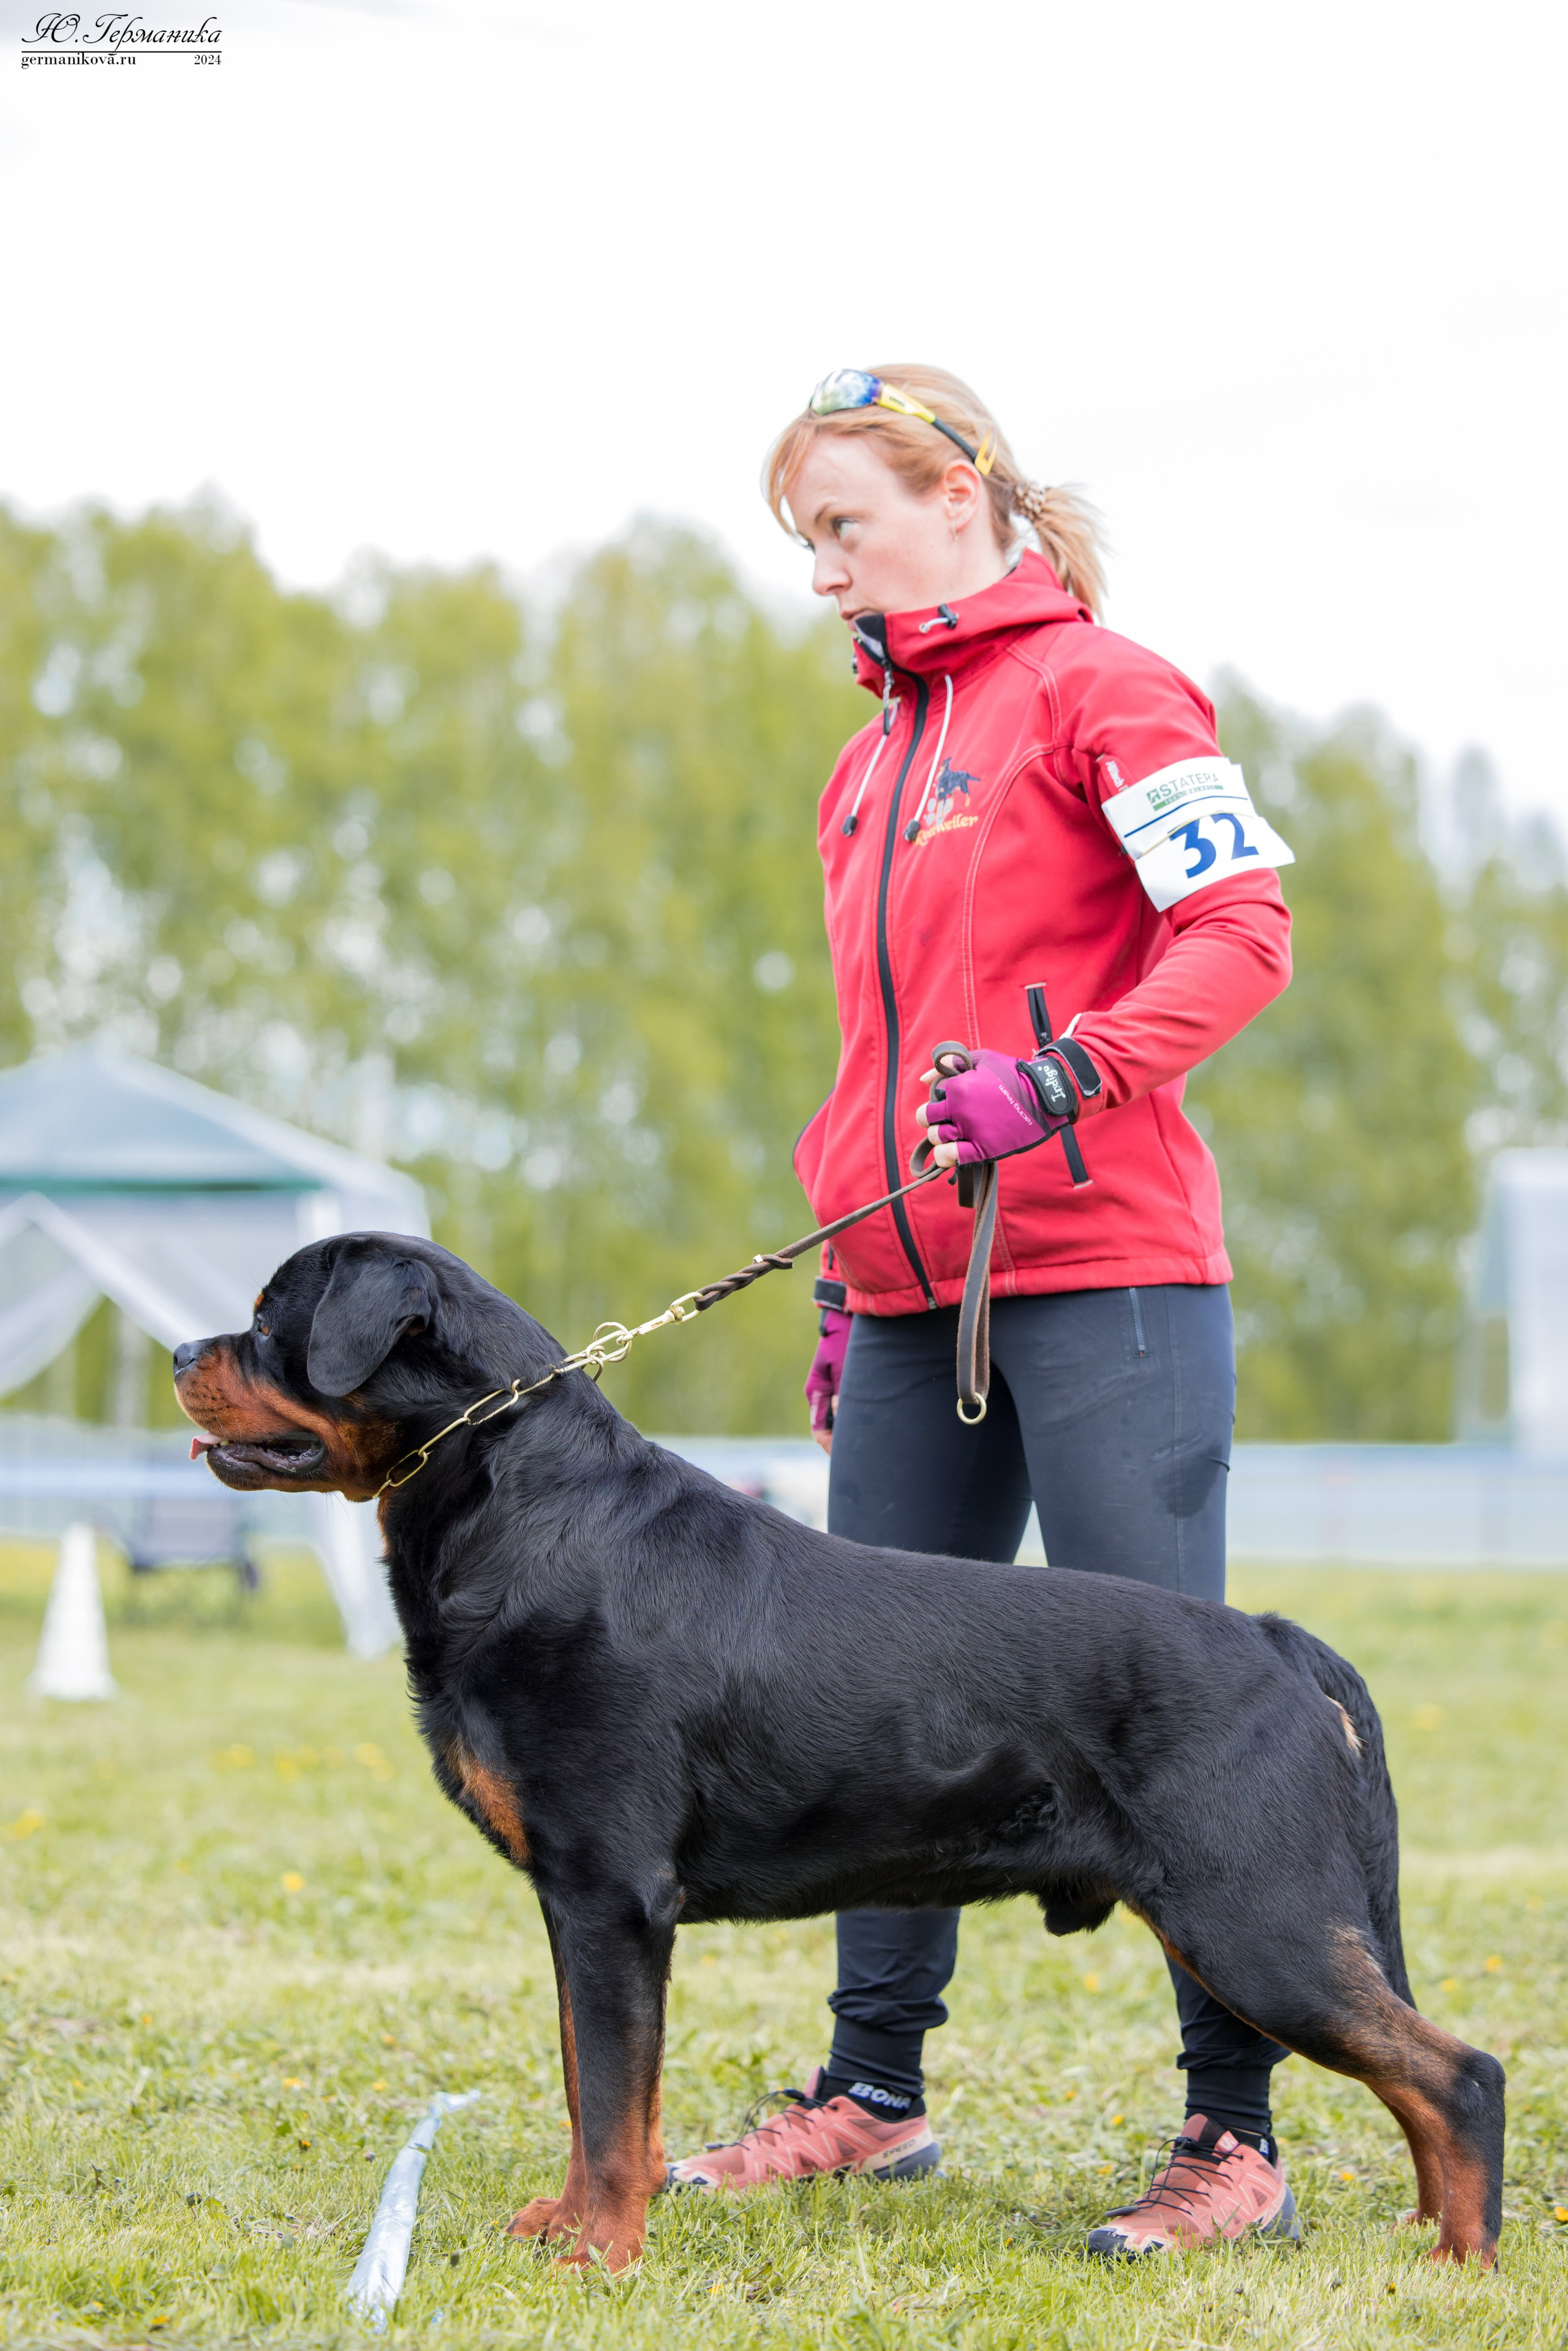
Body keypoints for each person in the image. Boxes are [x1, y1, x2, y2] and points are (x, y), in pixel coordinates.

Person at [666, 366, 1298, 2257]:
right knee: (855, 1707)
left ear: (960, 497)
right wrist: (866, 1281)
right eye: (806, 544)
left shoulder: (1112, 689)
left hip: (1109, 1279)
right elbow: (882, 1053)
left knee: (1172, 1713)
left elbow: (1243, 932)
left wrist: (1076, 1076)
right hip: (912, 1296)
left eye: (842, 530)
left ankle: (1237, 2137)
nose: (824, 577)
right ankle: (871, 2097)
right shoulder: (867, 760)